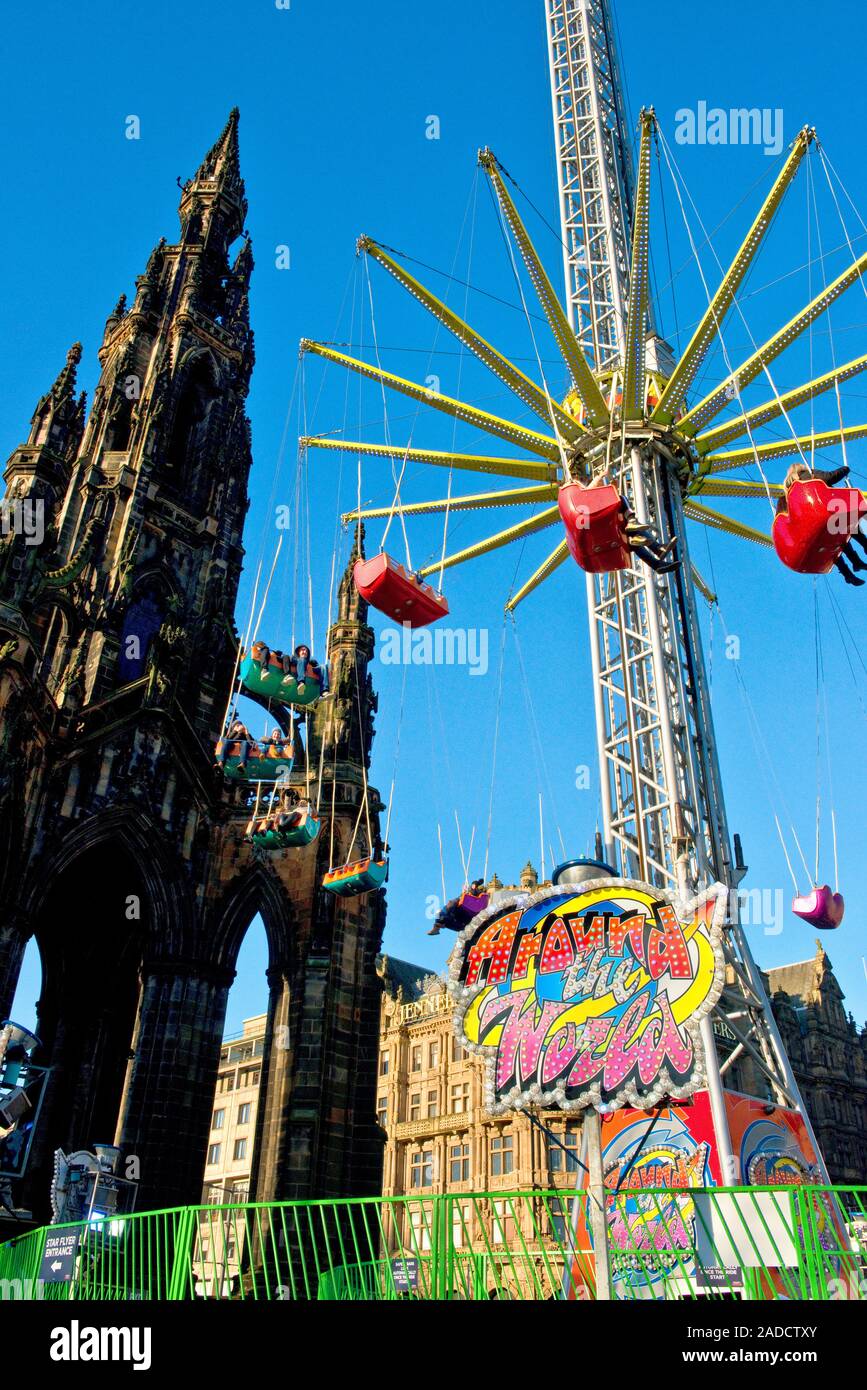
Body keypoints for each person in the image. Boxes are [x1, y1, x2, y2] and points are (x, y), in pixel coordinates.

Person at [777, 462, 867, 587]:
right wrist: (845, 469)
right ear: (800, 469)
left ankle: (848, 573)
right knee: (846, 522)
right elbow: (830, 477)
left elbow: (781, 520)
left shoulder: (783, 499)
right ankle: (861, 553)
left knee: (829, 539)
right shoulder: (807, 475)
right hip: (821, 511)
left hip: (806, 530)